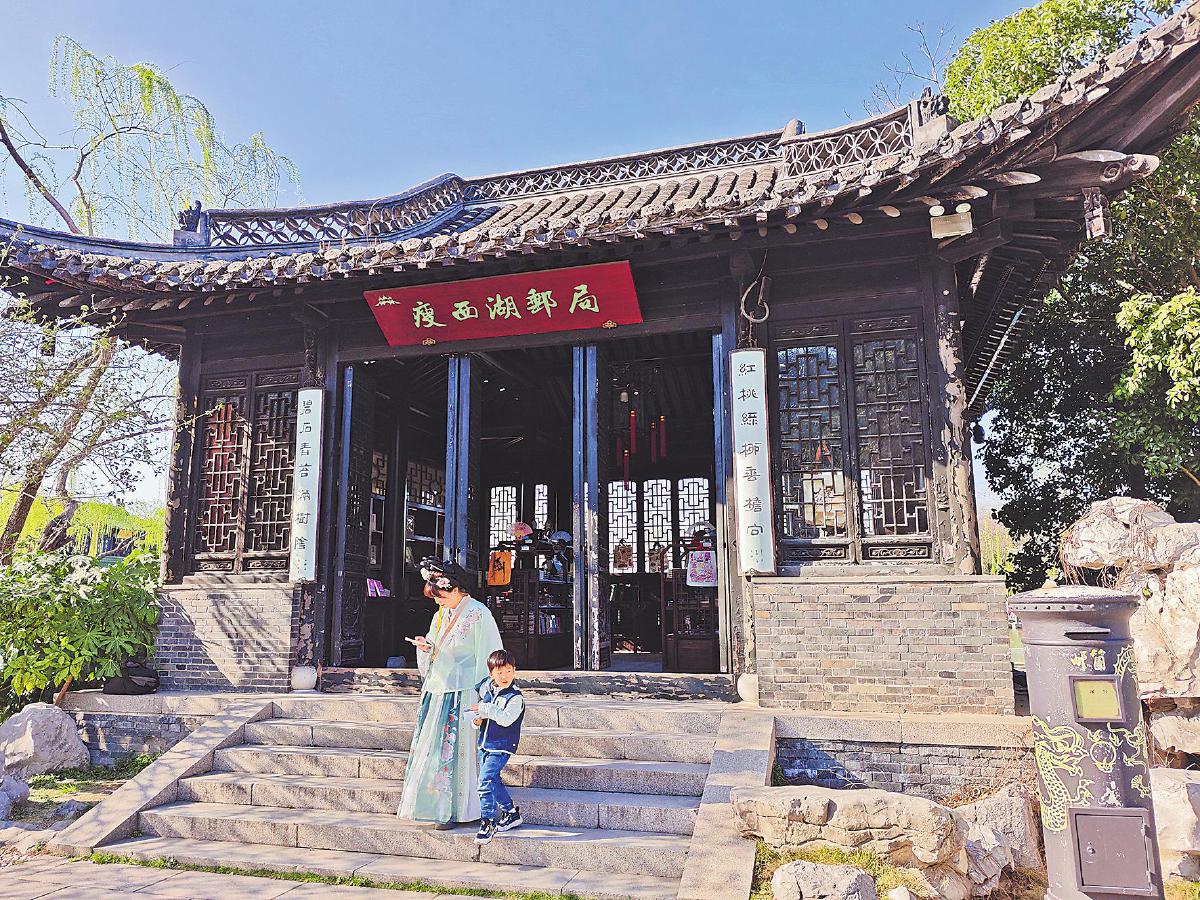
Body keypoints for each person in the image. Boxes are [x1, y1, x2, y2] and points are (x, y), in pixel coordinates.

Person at [396, 557, 504, 829]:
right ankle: (436, 806)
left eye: (441, 596)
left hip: (465, 690)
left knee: (459, 751)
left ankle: (462, 808)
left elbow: (491, 654)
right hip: (439, 688)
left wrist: (487, 693)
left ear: (456, 589)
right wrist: (426, 647)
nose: (438, 601)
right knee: (437, 749)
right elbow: (436, 646)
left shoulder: (479, 614)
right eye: (435, 597)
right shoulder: (440, 615)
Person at [470, 649, 525, 845]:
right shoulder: (489, 692)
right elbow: (482, 716)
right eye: (499, 672)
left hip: (502, 746)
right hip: (485, 743)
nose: (504, 676)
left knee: (484, 781)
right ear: (491, 674)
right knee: (492, 780)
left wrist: (485, 708)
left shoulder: (515, 697)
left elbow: (506, 719)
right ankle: (510, 812)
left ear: (514, 671)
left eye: (508, 671)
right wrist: (476, 721)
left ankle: (488, 822)